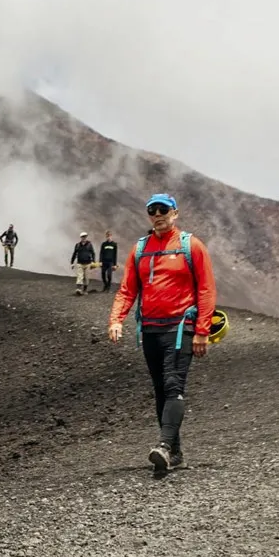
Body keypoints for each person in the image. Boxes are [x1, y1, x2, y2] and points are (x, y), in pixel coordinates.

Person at [108, 195, 216, 475]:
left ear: (175, 213)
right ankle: (175, 452)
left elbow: (206, 289)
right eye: (152, 211)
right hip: (150, 330)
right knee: (160, 390)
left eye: (163, 210)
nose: (158, 215)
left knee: (173, 385)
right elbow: (128, 289)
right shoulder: (140, 249)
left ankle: (165, 447)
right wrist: (116, 319)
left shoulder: (191, 246)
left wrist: (202, 331)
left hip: (181, 328)